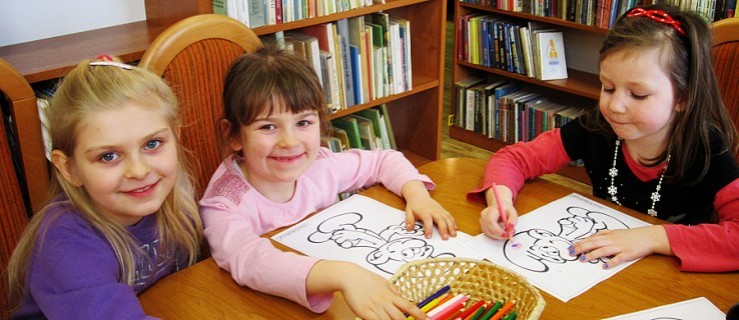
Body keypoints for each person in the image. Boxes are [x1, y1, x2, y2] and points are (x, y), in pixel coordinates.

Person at [468, 4, 739, 273]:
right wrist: (500, 200)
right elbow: (515, 158)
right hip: (599, 271)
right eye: (608, 87)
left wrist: (655, 237)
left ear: (683, 97)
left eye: (638, 95)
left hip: (668, 280)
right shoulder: (597, 126)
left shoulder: (708, 149)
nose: (615, 106)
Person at [200, 45, 457, 320]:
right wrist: (342, 273)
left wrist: (417, 195)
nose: (290, 142)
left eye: (303, 123)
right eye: (268, 127)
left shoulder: (319, 166)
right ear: (234, 135)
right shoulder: (223, 203)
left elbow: (384, 161)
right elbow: (250, 261)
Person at [5, 56, 203, 319]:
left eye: (152, 144)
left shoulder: (176, 200)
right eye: (108, 156)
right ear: (69, 168)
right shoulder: (64, 242)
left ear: (176, 139)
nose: (139, 171)